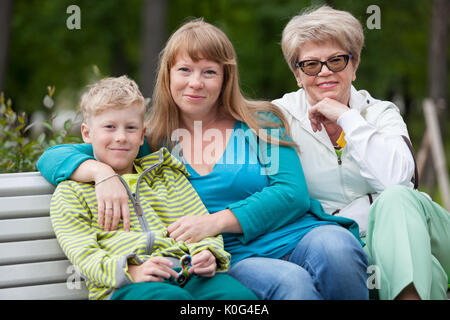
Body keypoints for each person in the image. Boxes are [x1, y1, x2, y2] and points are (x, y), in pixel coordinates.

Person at [38, 19, 369, 300]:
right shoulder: (150, 141)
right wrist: (101, 173)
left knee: (337, 247)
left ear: (225, 77)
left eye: (209, 72)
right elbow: (55, 158)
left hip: (296, 235)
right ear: (168, 74)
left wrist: (215, 221)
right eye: (185, 69)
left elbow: (291, 192)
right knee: (291, 283)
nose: (195, 82)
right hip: (230, 255)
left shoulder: (261, 122)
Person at [272, 5, 450, 300]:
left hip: (425, 232)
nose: (325, 72)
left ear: (354, 67)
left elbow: (397, 181)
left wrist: (347, 117)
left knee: (396, 199)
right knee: (424, 271)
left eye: (337, 61)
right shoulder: (280, 119)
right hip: (351, 245)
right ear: (297, 75)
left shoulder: (381, 113)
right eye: (311, 65)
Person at [49, 75, 258, 300]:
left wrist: (208, 252)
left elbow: (201, 224)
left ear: (142, 136)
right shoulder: (71, 193)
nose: (120, 137)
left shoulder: (167, 176)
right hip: (126, 286)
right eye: (109, 127)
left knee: (238, 297)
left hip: (188, 274)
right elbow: (84, 255)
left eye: (130, 128)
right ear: (87, 133)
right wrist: (130, 270)